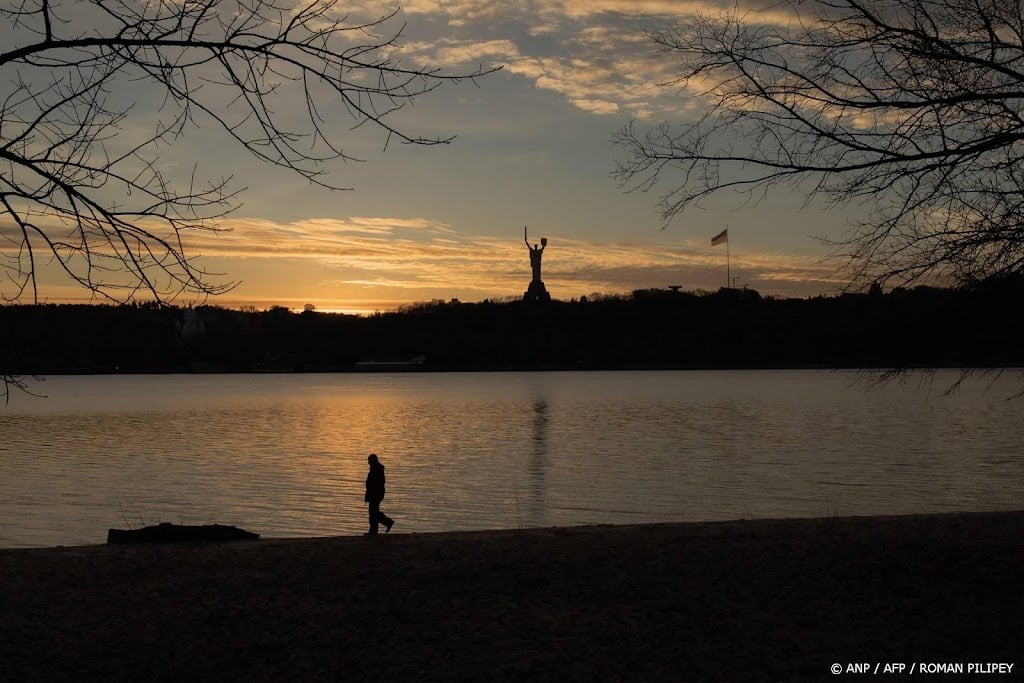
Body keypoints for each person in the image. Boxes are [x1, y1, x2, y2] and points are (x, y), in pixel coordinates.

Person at [364, 453, 394, 535]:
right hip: (375, 493)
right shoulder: (375, 468)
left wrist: (371, 493)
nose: (368, 463)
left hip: (375, 494)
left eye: (369, 461)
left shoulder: (377, 469)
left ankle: (386, 523)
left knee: (373, 512)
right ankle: (374, 530)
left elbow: (378, 483)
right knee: (373, 512)